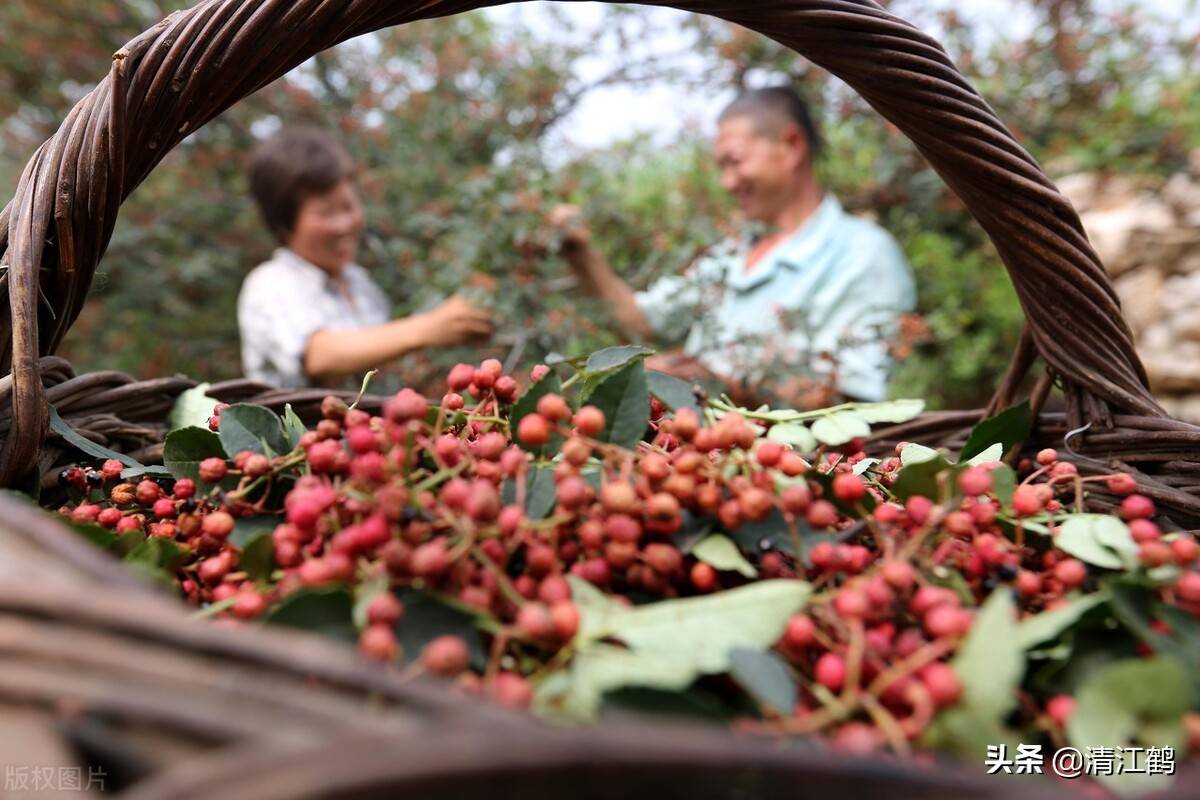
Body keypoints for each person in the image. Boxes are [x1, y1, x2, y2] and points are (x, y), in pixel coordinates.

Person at [552, 85, 916, 407]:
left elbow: (848, 397)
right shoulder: (729, 256)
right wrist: (581, 254)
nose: (727, 182)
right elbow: (640, 324)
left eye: (735, 162)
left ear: (791, 146)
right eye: (721, 167)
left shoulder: (863, 254)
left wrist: (699, 376)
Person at [237, 127, 493, 388]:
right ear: (284, 225)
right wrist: (427, 328)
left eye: (348, 206)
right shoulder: (270, 283)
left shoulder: (359, 282)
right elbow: (316, 355)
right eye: (326, 213)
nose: (344, 224)